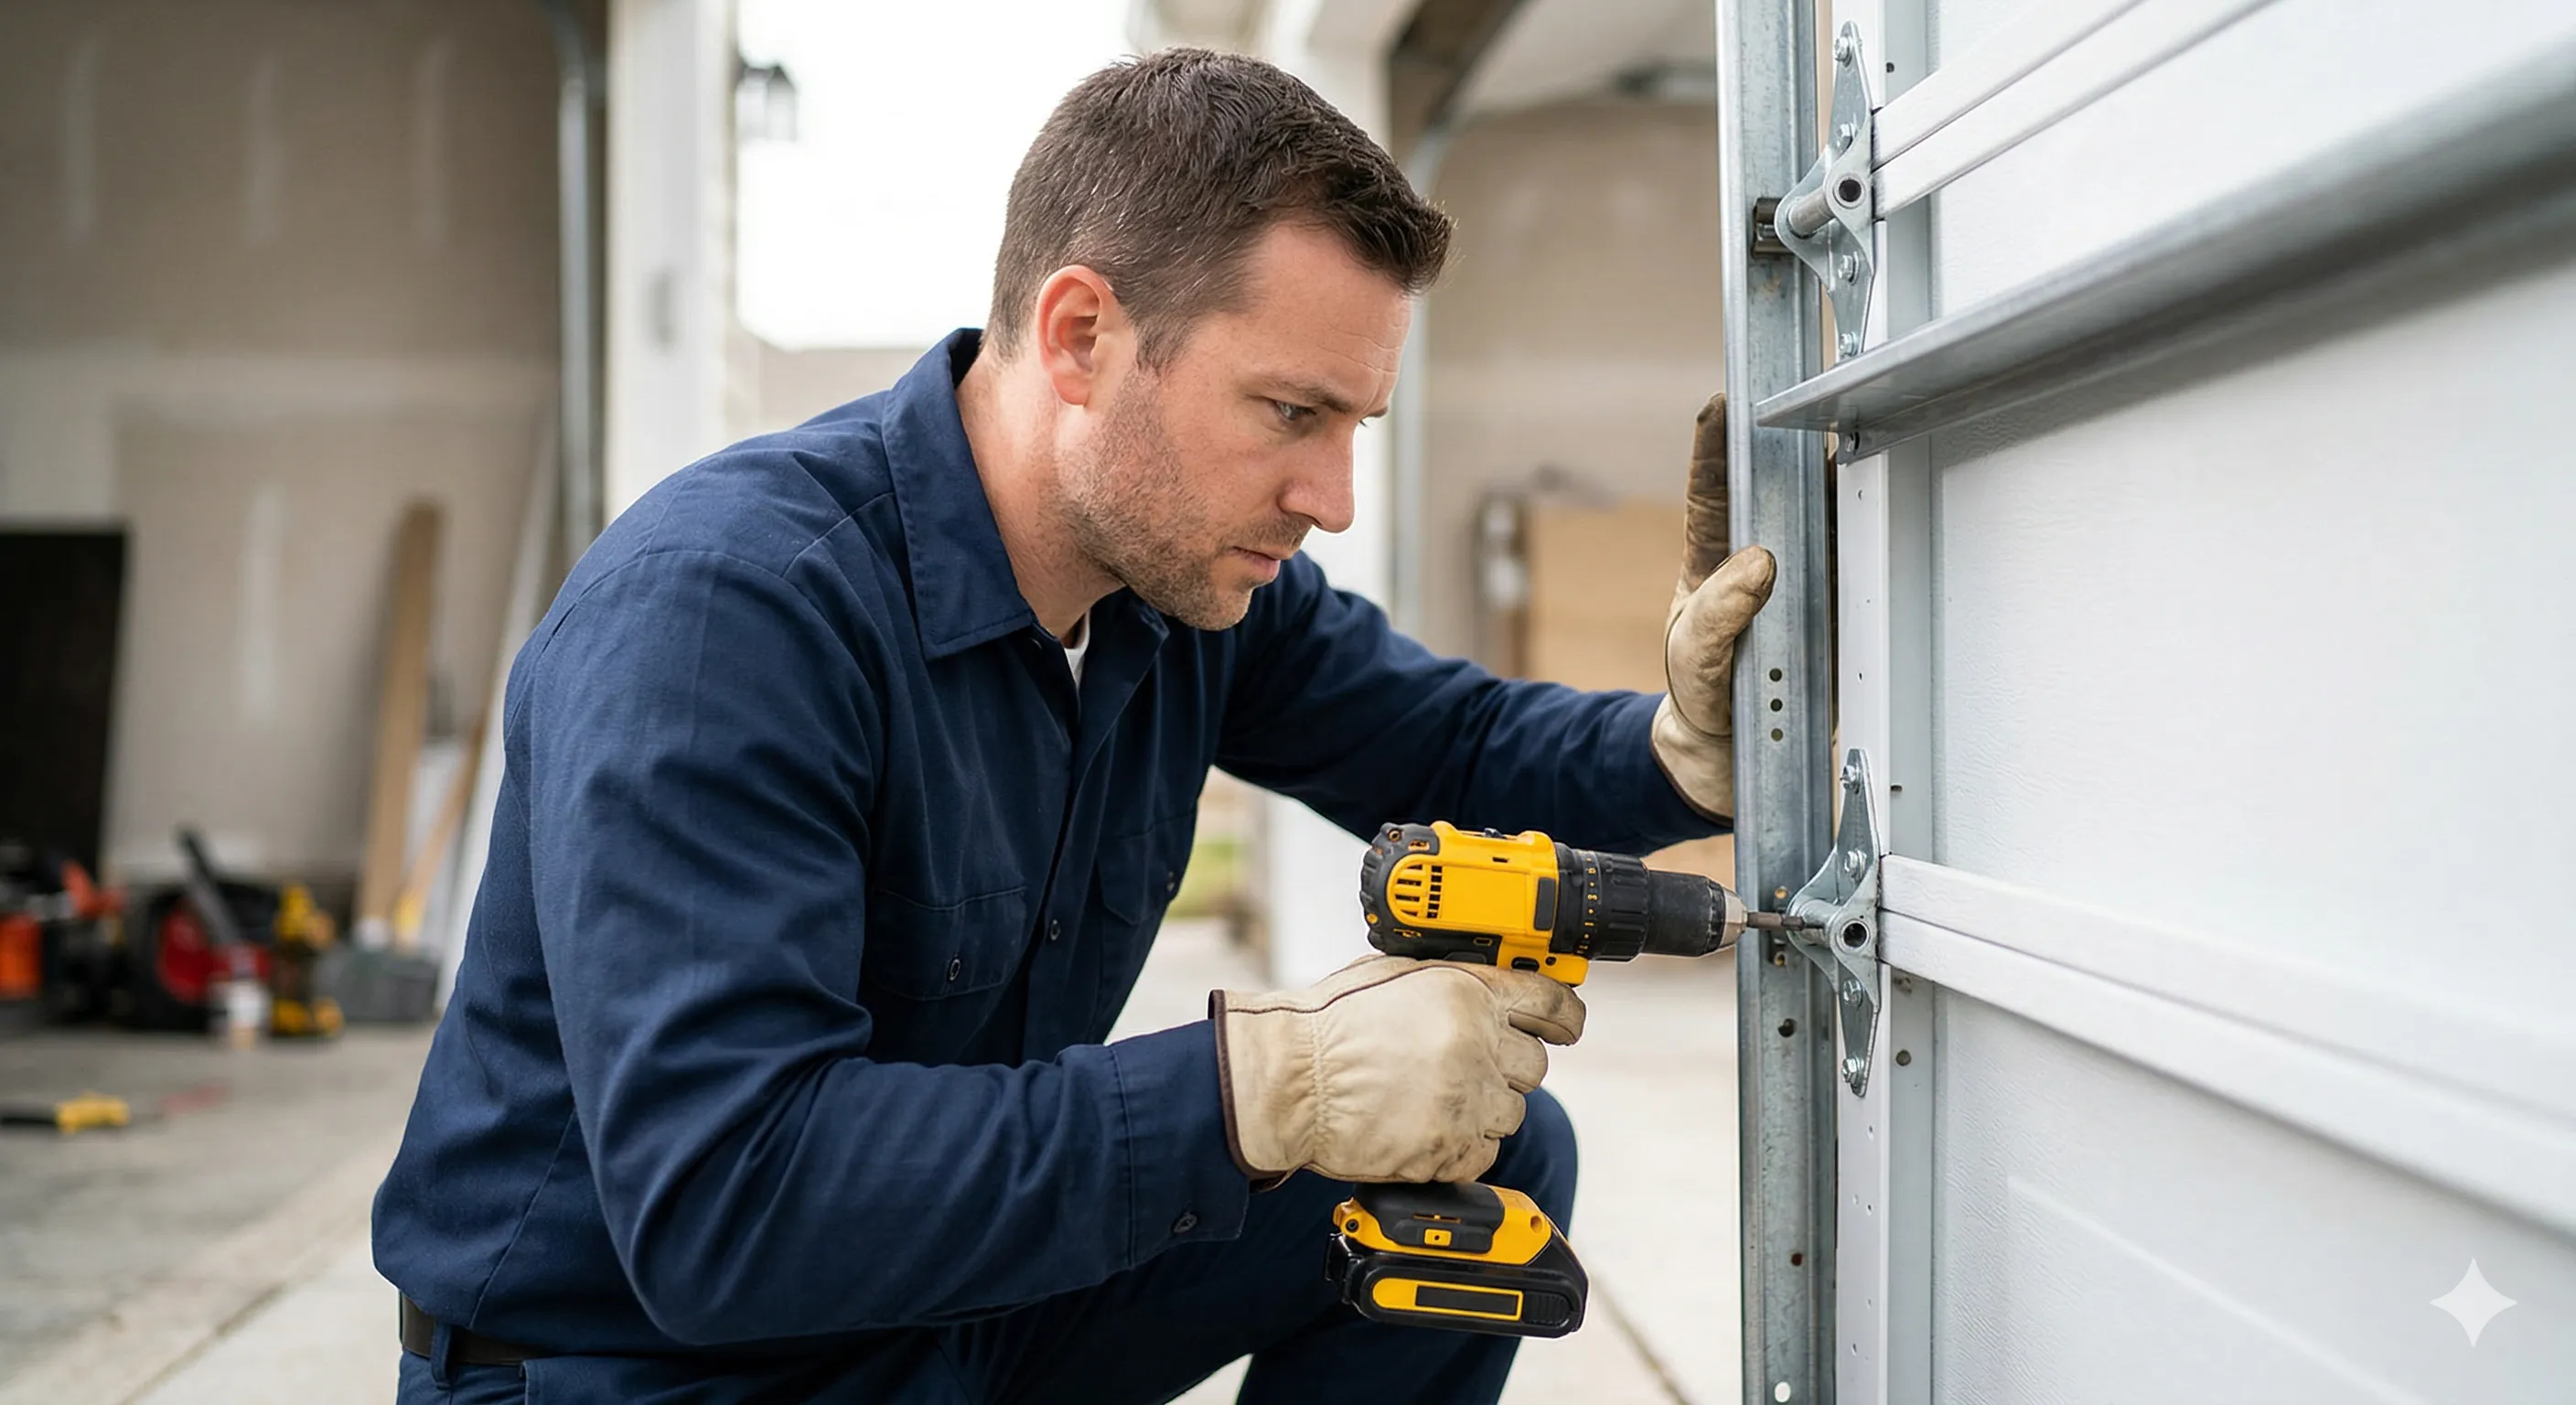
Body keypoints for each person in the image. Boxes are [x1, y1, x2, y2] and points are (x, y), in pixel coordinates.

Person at [373, 46, 1774, 1405]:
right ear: (1082, 336)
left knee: (1489, 1162)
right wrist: (1261, 1086)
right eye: (1289, 411)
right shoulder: (728, 615)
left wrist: (1679, 754)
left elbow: (1454, 746)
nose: (1332, 495)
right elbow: (731, 1204)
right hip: (640, 1367)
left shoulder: (1181, 589)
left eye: (1355, 422)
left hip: (948, 1310)